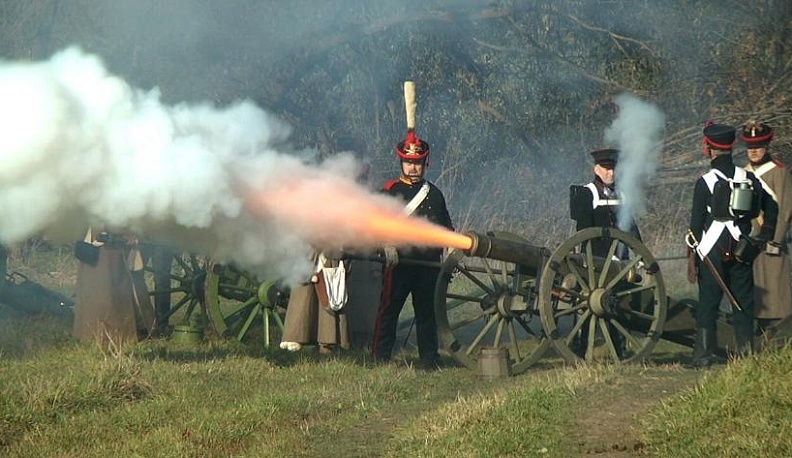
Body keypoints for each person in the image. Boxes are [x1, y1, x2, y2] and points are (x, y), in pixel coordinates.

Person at [687, 122, 778, 367]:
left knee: (708, 304)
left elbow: (695, 226)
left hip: (711, 252)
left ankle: (703, 356)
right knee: (743, 303)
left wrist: (693, 254)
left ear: (709, 149)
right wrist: (762, 238)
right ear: (731, 146)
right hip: (741, 249)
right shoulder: (747, 177)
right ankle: (746, 354)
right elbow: (772, 206)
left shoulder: (704, 182)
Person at [371, 129, 453, 369]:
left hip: (428, 265)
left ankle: (429, 359)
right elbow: (376, 222)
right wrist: (386, 245)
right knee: (389, 310)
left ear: (424, 163)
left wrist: (447, 252)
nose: (413, 168)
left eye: (417, 163)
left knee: (426, 313)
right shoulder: (391, 190)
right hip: (399, 262)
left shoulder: (435, 194)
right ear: (401, 162)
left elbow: (445, 227)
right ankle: (381, 357)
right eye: (408, 162)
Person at [569, 147, 640, 358]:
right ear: (596, 169)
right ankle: (582, 347)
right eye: (606, 169)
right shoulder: (586, 193)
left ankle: (620, 348)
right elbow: (583, 232)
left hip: (621, 260)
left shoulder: (622, 194)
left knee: (621, 304)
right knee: (587, 306)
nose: (611, 173)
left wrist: (640, 256)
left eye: (613, 169)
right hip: (596, 261)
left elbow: (631, 227)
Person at [741, 120, 792, 334]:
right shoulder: (743, 173)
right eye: (750, 147)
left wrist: (776, 240)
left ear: (767, 146)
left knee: (775, 293)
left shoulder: (779, 172)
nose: (753, 151)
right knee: (755, 293)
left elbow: (786, 209)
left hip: (771, 242)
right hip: (750, 241)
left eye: (758, 146)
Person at [280, 251, 349, 354]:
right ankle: (295, 339)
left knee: (327, 299)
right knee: (302, 299)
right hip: (307, 255)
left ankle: (328, 342)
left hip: (327, 255)